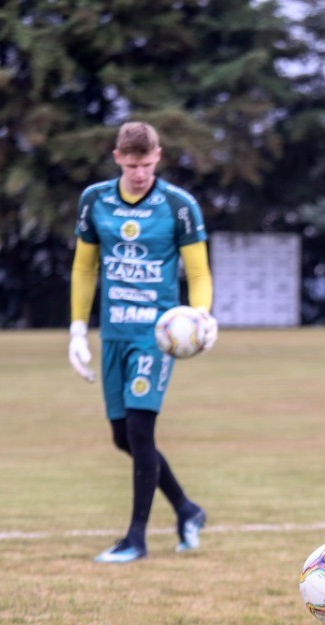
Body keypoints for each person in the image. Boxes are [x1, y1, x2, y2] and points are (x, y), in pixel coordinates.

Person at [67, 120, 215, 563]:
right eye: (132, 165)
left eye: (147, 165)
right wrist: (77, 330)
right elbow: (83, 269)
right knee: (122, 437)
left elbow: (198, 272)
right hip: (114, 334)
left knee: (140, 429)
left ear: (158, 157)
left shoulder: (179, 206)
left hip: (157, 337)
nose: (139, 174)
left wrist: (200, 313)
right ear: (117, 159)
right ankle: (188, 509)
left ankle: (135, 537)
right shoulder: (94, 200)